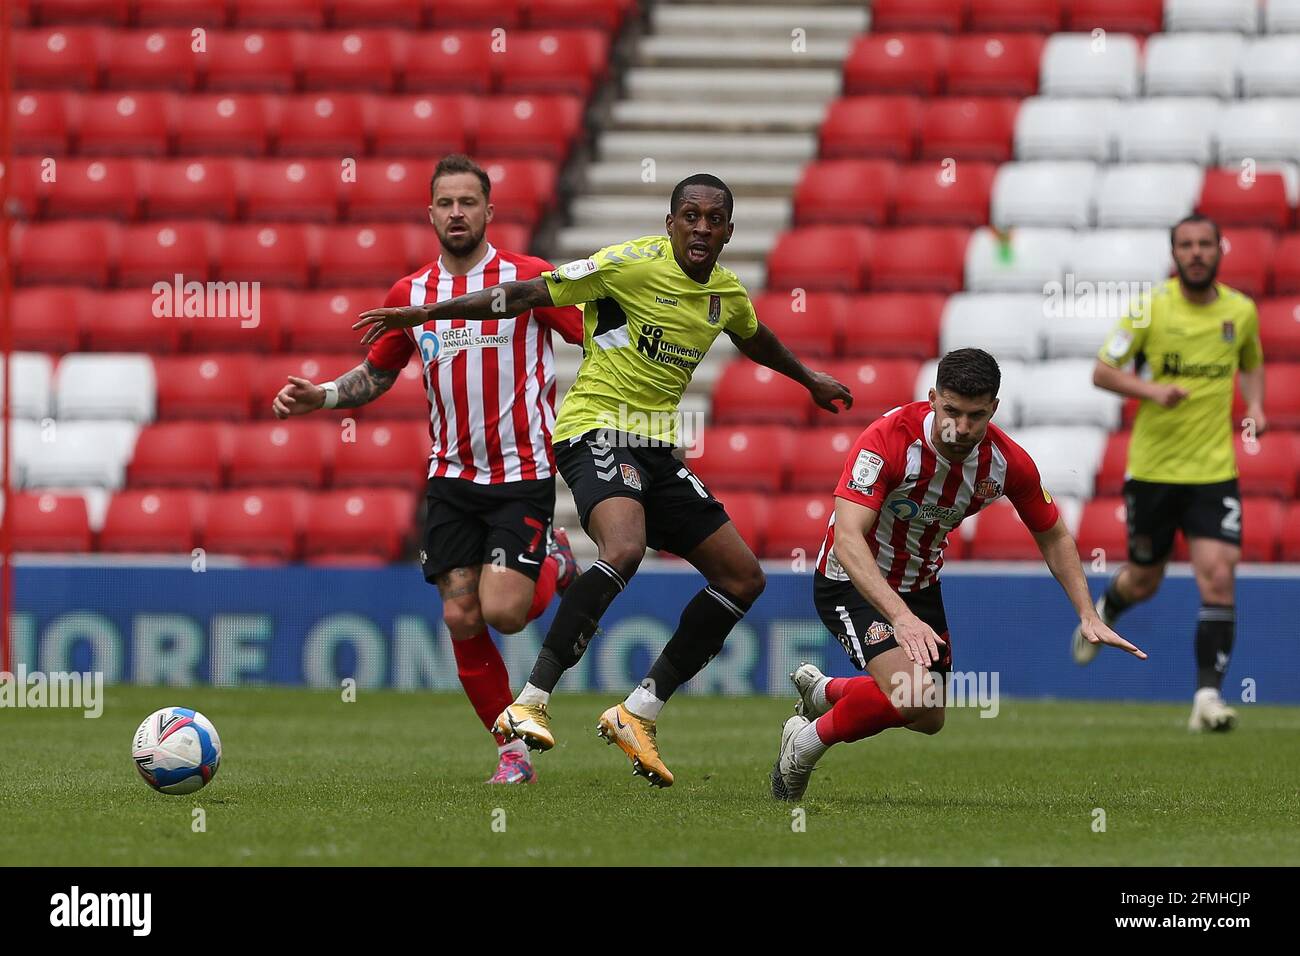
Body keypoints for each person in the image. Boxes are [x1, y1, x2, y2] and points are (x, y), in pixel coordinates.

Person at [355, 173, 853, 787]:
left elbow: (755, 339)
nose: (700, 227)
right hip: (592, 428)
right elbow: (526, 295)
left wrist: (809, 379)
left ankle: (639, 710)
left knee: (742, 576)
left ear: (729, 230)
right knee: (623, 547)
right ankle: (532, 699)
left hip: (654, 446)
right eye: (689, 216)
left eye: (713, 218)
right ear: (670, 223)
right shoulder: (629, 264)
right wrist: (431, 312)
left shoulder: (725, 294)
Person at [273, 154, 584, 784]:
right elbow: (377, 375)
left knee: (502, 612)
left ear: (489, 211)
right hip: (450, 479)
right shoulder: (409, 295)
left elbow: (593, 332)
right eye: (446, 203)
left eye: (469, 202)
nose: (457, 213)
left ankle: (555, 557)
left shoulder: (530, 280)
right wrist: (325, 396)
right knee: (460, 615)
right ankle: (513, 751)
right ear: (431, 213)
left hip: (520, 472)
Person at [770, 348, 1146, 801]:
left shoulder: (1005, 462)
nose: (961, 428)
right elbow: (849, 540)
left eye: (975, 416)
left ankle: (827, 691)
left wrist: (1087, 612)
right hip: (852, 579)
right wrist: (901, 618)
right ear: (932, 399)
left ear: (994, 409)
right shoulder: (887, 441)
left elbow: (1054, 536)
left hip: (920, 584)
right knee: (911, 695)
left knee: (929, 716)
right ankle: (803, 745)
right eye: (951, 411)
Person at [1074, 214, 1266, 732]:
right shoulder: (1149, 310)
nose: (1197, 253)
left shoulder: (1240, 311)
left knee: (1219, 577)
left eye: (1206, 244)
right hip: (1154, 472)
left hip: (1213, 472)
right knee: (1145, 579)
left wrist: (1255, 406)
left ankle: (1207, 697)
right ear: (1174, 253)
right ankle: (1109, 605)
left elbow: (1251, 361)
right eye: (1187, 245)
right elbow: (1102, 371)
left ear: (1219, 250)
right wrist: (1154, 391)